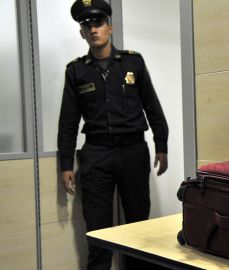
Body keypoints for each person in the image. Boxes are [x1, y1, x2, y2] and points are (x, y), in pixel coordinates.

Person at [58, 0, 168, 269]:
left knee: (139, 229)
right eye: (87, 25)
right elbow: (68, 121)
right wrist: (65, 164)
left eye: (98, 23)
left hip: (133, 152)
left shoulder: (133, 62)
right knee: (98, 231)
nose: (93, 29)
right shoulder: (76, 70)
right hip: (96, 155)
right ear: (81, 32)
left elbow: (153, 106)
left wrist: (161, 145)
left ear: (110, 27)